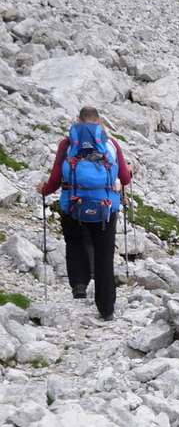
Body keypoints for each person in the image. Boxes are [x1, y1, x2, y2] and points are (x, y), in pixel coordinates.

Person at [37, 106, 131, 321]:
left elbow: (55, 177)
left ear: (78, 121)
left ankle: (79, 285)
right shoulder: (111, 143)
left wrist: (44, 190)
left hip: (73, 204)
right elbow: (124, 178)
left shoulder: (68, 144)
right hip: (105, 208)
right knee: (104, 255)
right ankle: (106, 308)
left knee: (75, 241)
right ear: (99, 122)